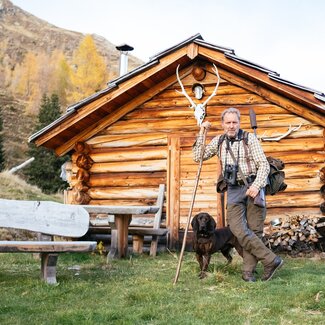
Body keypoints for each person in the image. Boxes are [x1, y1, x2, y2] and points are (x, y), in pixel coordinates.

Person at [192, 107, 283, 282]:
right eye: (228, 122)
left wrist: (256, 186)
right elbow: (198, 156)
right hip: (233, 189)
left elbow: (263, 165)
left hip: (253, 186)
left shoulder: (250, 140)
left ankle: (248, 273)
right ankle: (271, 260)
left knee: (255, 231)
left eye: (235, 122)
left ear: (239, 123)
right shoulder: (219, 141)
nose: (232, 126)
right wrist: (202, 131)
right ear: (223, 124)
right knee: (237, 229)